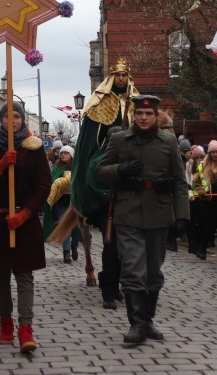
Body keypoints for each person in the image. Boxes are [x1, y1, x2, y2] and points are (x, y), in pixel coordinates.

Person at [95, 95, 190, 345]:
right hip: (128, 213)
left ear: (156, 115)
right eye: (139, 114)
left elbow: (180, 181)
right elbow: (100, 170)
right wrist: (121, 170)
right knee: (132, 268)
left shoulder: (168, 142)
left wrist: (182, 216)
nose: (144, 118)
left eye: (149, 114)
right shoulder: (119, 140)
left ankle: (148, 321)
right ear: (133, 116)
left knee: (153, 271)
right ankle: (136, 324)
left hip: (159, 214)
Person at [0, 101, 51, 353]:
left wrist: (26, 213)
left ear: (22, 120)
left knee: (25, 275)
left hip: (24, 221)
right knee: (2, 275)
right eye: (8, 117)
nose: (13, 121)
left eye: (17, 117)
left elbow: (43, 185)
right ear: (1, 120)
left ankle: (25, 327)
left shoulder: (35, 147)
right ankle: (5, 323)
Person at [68, 57, 139, 308]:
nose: (121, 80)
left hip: (133, 152)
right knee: (113, 242)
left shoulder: (136, 102)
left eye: (124, 76)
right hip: (105, 149)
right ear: (112, 78)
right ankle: (92, 206)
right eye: (117, 76)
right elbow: (92, 137)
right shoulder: (100, 102)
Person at [191, 140, 217, 261]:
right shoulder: (203, 165)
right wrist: (202, 192)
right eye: (213, 152)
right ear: (209, 153)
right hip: (208, 200)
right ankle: (202, 249)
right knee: (207, 226)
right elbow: (196, 182)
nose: (215, 154)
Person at [47, 145, 77, 264]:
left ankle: (74, 246)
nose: (63, 154)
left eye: (66, 153)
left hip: (74, 199)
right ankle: (67, 252)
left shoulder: (76, 167)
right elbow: (52, 180)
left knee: (76, 226)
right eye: (62, 153)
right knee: (65, 224)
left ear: (71, 155)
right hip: (60, 200)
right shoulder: (57, 167)